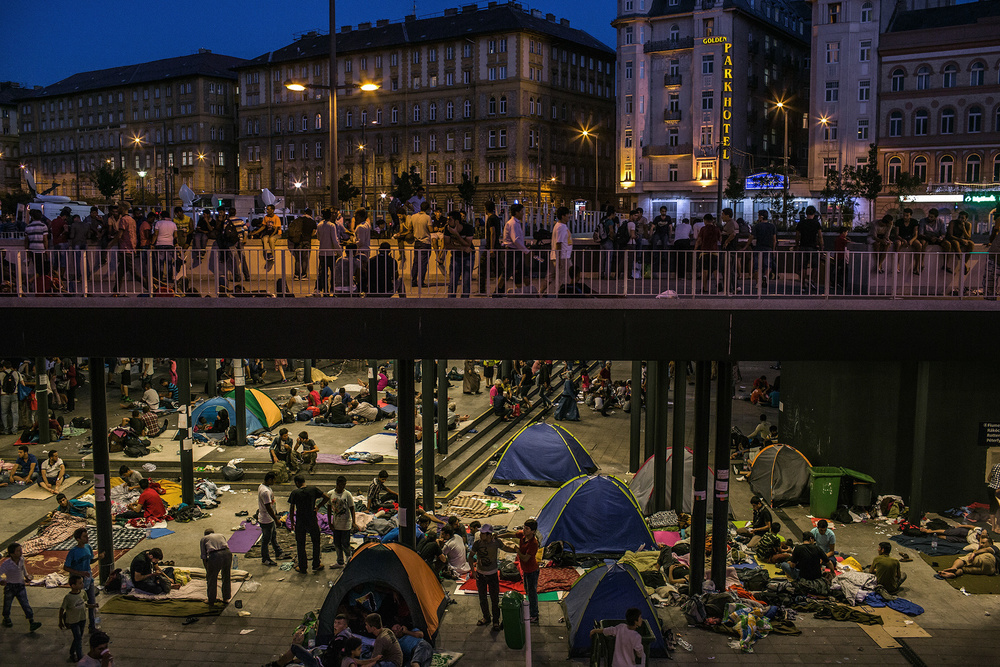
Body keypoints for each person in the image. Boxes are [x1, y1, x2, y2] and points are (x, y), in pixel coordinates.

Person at [471, 524, 517, 631]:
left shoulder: (496, 542)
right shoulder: (477, 544)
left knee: (494, 599)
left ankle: (496, 620)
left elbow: (506, 548)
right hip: (480, 574)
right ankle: (486, 617)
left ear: (489, 535)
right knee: (482, 598)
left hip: (492, 574)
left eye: (483, 533)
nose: (481, 535)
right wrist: (473, 571)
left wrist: (517, 550)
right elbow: (470, 557)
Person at [63, 527, 103, 632]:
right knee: (77, 603)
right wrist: (80, 573)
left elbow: (89, 561)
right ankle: (71, 621)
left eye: (87, 535)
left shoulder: (88, 547)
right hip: (77, 581)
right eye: (84, 536)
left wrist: (98, 558)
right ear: (78, 539)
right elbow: (66, 567)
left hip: (88, 579)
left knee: (92, 602)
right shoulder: (73, 552)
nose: (87, 538)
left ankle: (92, 626)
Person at [289, 475, 330, 573]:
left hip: (300, 520)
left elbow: (291, 509)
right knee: (316, 542)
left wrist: (292, 521)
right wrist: (318, 507)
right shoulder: (313, 489)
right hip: (312, 519)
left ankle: (302, 567)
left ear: (297, 483)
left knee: (300, 544)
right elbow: (326, 497)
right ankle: (316, 564)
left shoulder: (295, 493)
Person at [0, 542, 42, 632]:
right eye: (18, 551)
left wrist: (26, 576)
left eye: (20, 550)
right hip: (10, 587)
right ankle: (6, 618)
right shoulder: (7, 564)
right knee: (7, 604)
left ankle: (31, 621)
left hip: (20, 585)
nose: (21, 552)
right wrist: (1, 581)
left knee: (25, 604)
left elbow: (23, 568)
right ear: (11, 553)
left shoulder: (21, 559)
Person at [60, 574, 92, 662]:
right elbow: (62, 609)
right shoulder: (68, 597)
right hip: (73, 621)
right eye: (80, 583)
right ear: (73, 586)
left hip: (82, 618)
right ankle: (80, 656)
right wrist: (61, 621)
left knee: (79, 637)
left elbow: (83, 604)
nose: (82, 585)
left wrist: (91, 606)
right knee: (78, 638)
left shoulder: (83, 593)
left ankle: (72, 651)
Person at [443, 210, 474, 297]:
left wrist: (456, 234)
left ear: (456, 221)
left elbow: (468, 244)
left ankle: (464, 303)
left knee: (466, 282)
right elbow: (447, 245)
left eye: (450, 220)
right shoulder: (447, 228)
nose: (448, 221)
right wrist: (462, 248)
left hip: (468, 257)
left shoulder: (468, 228)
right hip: (456, 256)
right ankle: (451, 302)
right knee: (453, 281)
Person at [328, 475, 357, 567]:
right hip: (336, 523)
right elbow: (329, 509)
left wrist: (353, 521)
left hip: (346, 523)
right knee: (337, 543)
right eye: (341, 485)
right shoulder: (331, 494)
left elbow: (352, 508)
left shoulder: (347, 494)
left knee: (345, 543)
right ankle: (340, 561)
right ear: (337, 484)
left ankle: (348, 560)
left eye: (344, 485)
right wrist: (330, 522)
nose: (343, 487)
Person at [258, 472, 286, 566]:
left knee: (273, 536)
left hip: (268, 517)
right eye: (274, 480)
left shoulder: (263, 487)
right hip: (266, 519)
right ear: (270, 479)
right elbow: (268, 507)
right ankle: (265, 559)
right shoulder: (265, 492)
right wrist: (276, 519)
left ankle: (278, 552)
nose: (275, 482)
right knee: (266, 540)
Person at [200, 527, 233, 605]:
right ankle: (226, 598)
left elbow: (203, 556)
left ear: (205, 534)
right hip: (227, 553)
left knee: (212, 578)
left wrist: (207, 570)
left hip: (215, 555)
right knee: (226, 575)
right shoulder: (221, 535)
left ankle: (211, 600)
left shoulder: (204, 538)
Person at [500, 203, 529, 292]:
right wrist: (525, 250)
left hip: (515, 251)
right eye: (521, 211)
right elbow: (515, 239)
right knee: (507, 273)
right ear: (516, 212)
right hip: (512, 251)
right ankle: (498, 290)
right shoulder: (513, 224)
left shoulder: (514, 223)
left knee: (520, 272)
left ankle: (522, 290)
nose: (523, 213)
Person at [795, 205, 824, 291]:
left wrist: (797, 245)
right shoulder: (816, 223)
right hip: (813, 247)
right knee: (815, 266)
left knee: (803, 267)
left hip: (803, 246)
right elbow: (820, 236)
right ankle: (812, 281)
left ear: (806, 213)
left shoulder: (801, 223)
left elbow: (797, 236)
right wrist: (822, 247)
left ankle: (803, 285)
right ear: (814, 214)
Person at [518, 519, 541, 623]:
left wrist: (517, 551)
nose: (524, 530)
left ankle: (534, 614)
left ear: (533, 531)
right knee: (527, 590)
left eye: (527, 529)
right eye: (524, 527)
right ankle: (531, 610)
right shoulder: (523, 537)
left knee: (532, 592)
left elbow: (525, 558)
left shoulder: (533, 543)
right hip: (526, 570)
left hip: (532, 571)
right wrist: (498, 536)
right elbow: (512, 534)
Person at [694, 213, 722, 292]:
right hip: (714, 251)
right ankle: (718, 283)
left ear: (705, 220)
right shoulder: (716, 229)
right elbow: (720, 239)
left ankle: (705, 288)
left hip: (704, 251)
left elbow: (699, 240)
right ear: (712, 220)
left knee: (705, 270)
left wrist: (695, 249)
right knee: (715, 269)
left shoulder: (703, 229)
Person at [409, 201, 433, 288]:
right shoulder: (427, 217)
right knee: (423, 264)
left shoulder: (413, 216)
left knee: (416, 262)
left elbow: (410, 228)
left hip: (417, 242)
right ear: (427, 209)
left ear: (420, 208)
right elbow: (430, 229)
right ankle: (421, 282)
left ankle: (414, 281)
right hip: (425, 242)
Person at [0, 359, 24, 435]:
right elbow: (23, 384)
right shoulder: (16, 373)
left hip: (4, 395)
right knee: (15, 413)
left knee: (4, 413)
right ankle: (15, 430)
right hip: (14, 395)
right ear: (11, 367)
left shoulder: (0, 374)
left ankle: (6, 429)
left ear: (4, 367)